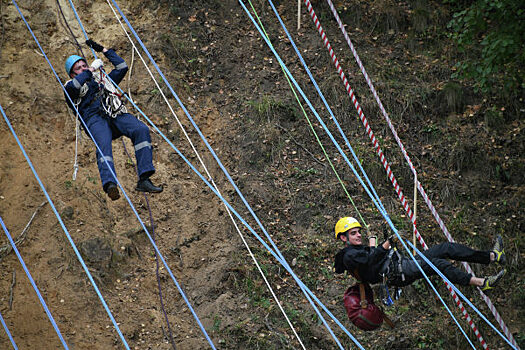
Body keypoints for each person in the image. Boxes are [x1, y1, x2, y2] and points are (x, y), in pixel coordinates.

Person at [64, 39, 163, 201]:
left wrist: (103, 50)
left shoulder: (101, 80)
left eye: (84, 65)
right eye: (78, 68)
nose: (83, 69)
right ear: (72, 74)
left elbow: (122, 67)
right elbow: (75, 87)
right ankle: (110, 184)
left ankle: (144, 178)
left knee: (141, 130)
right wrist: (89, 71)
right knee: (103, 144)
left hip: (114, 112)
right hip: (94, 118)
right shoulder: (70, 88)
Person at [333, 217, 506, 291]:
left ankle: (492, 256)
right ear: (343, 238)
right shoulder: (348, 256)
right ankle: (481, 283)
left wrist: (376, 244)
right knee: (438, 264)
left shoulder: (356, 251)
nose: (358, 235)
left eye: (358, 232)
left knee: (446, 248)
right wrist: (386, 243)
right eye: (353, 233)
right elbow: (371, 261)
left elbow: (371, 256)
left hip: (403, 263)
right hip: (398, 272)